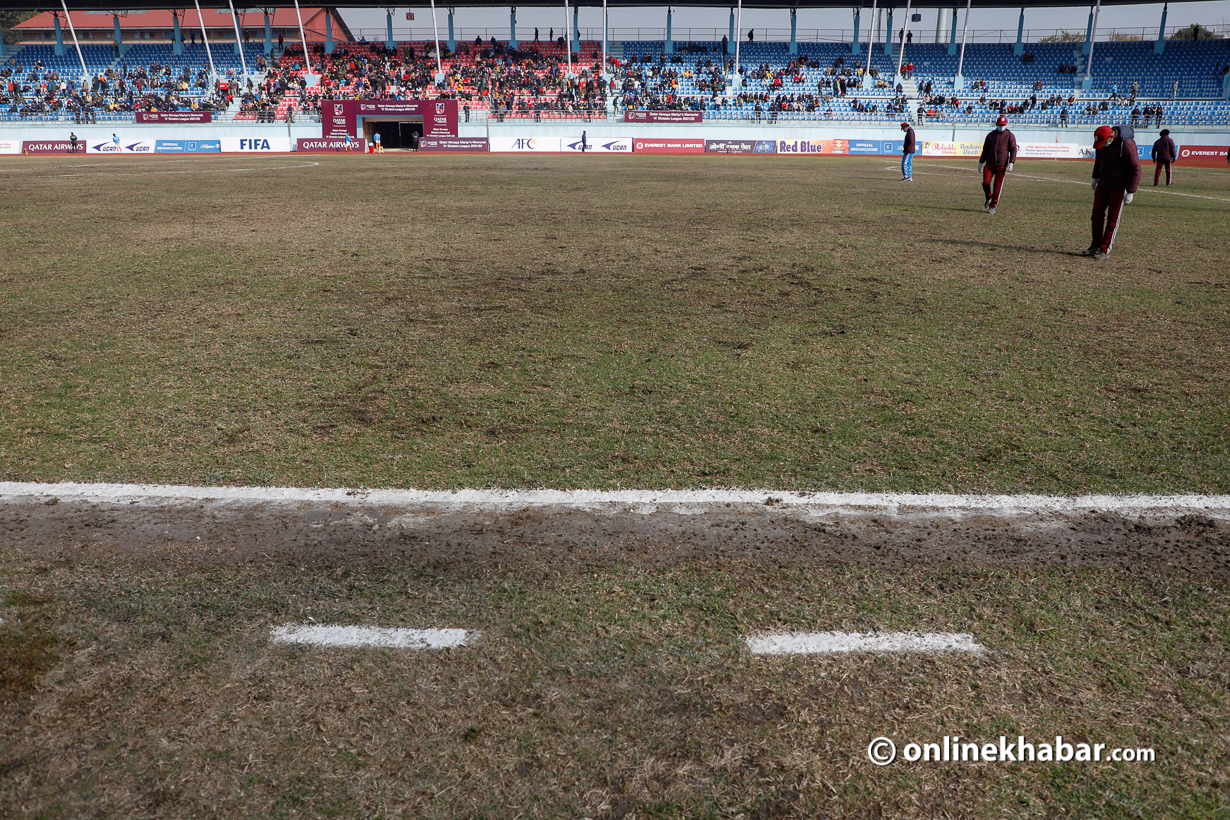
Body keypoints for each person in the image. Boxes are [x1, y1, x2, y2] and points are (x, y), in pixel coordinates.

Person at [1084, 124, 1141, 260]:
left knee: (1112, 219)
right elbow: (1099, 160)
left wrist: (1131, 191)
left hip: (1118, 187)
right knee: (1096, 215)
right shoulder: (1102, 145)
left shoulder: (1126, 145)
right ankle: (1095, 245)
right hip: (1103, 184)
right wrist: (1095, 177)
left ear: (1111, 136)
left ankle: (1105, 249)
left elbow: (1136, 168)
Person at [978, 114, 1017, 214]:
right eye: (1000, 125)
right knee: (985, 183)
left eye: (1003, 125)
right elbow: (985, 149)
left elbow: (1013, 149)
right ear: (996, 124)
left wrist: (1011, 162)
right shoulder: (991, 135)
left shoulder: (1010, 135)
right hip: (989, 164)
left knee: (997, 187)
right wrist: (981, 162)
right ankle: (988, 196)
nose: (1001, 127)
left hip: (1001, 165)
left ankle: (993, 205)